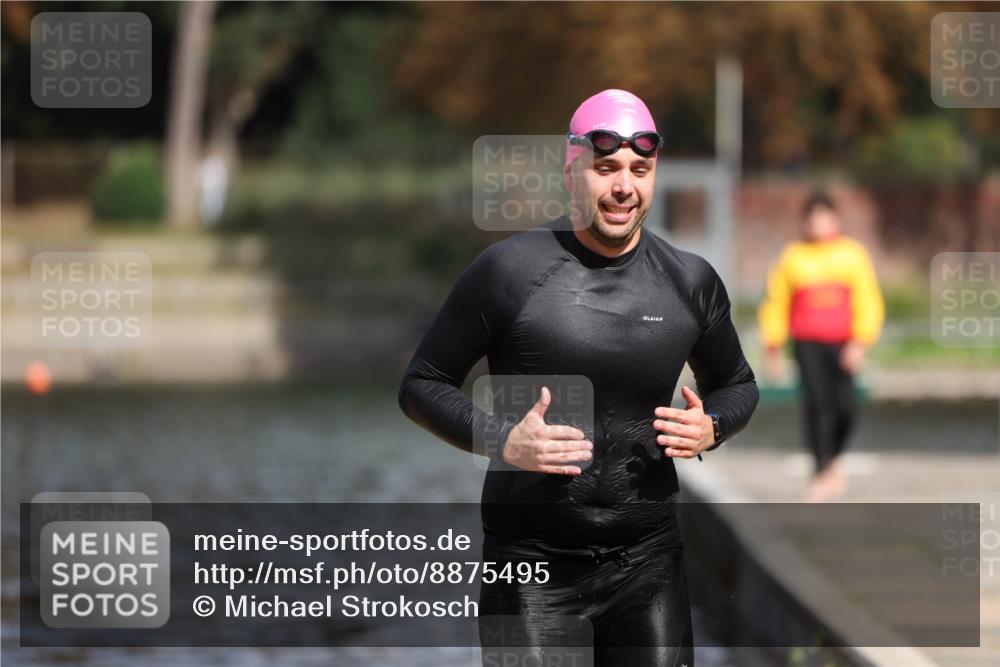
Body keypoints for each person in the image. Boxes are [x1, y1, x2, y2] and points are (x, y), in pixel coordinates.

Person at [399, 89, 758, 666]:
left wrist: (711, 425)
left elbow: (739, 384)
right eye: (606, 167)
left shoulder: (689, 282)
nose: (624, 187)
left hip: (649, 565)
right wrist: (502, 439)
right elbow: (421, 384)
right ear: (572, 173)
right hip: (528, 569)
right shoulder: (508, 273)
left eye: (640, 170)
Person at [758, 192, 885, 502]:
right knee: (818, 406)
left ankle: (833, 459)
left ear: (836, 219)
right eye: (812, 217)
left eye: (824, 216)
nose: (818, 223)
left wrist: (860, 342)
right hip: (807, 343)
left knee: (845, 407)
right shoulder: (793, 257)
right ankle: (821, 470)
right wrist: (772, 347)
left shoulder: (852, 255)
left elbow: (868, 300)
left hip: (843, 343)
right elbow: (777, 303)